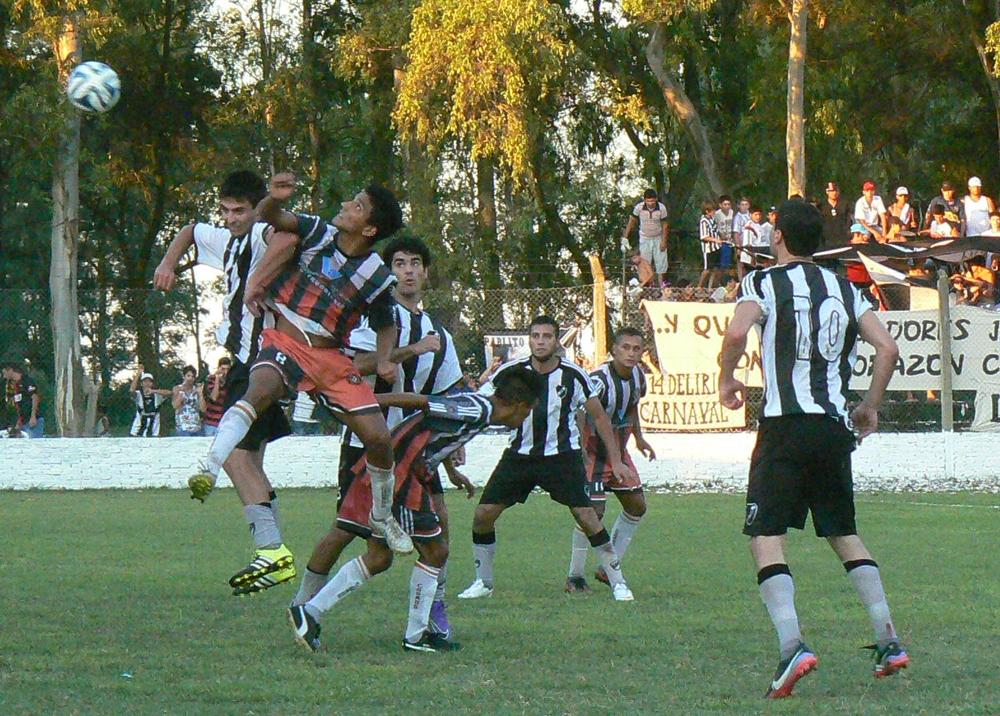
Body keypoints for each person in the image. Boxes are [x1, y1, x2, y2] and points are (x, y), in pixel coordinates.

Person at [719, 198, 908, 699]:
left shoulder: (763, 282)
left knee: (765, 535)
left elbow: (736, 331)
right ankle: (888, 639)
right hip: (832, 427)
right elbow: (887, 348)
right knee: (843, 532)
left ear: (778, 236)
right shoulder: (845, 288)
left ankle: (792, 646)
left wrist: (726, 379)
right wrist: (870, 405)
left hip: (784, 426)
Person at [192, 171, 413, 571]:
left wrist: (384, 360)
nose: (345, 206)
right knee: (258, 391)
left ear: (369, 228)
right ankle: (209, 465)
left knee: (379, 438)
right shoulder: (318, 231)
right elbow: (272, 217)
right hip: (285, 341)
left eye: (357, 205)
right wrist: (275, 199)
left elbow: (386, 322)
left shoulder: (378, 275)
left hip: (331, 359)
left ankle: (382, 515)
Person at [287, 369, 544, 653]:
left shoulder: (479, 410)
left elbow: (434, 430)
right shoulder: (477, 408)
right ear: (519, 404)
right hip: (401, 476)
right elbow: (420, 402)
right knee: (436, 552)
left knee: (379, 558)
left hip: (395, 471)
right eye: (528, 411)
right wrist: (365, 402)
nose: (525, 418)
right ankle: (416, 636)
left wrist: (451, 471)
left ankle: (309, 612)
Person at [291, 234, 468, 641]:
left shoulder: (439, 333)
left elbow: (446, 396)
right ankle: (303, 604)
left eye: (415, 263)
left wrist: (453, 451)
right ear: (389, 273)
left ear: (426, 272)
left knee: (439, 527)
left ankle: (433, 612)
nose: (408, 271)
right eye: (400, 263)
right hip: (368, 445)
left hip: (416, 450)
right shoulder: (374, 318)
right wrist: (411, 350)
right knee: (347, 532)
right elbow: (356, 367)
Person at [154, 170, 296, 594]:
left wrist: (259, 277)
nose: (231, 218)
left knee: (235, 458)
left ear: (256, 210)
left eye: (240, 211)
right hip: (249, 362)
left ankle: (272, 552)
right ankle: (273, 552)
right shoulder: (228, 239)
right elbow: (189, 231)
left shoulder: (263, 235)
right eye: (226, 210)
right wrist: (167, 263)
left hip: (259, 362)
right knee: (250, 462)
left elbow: (286, 239)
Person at [458, 315, 639, 602]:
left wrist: (616, 461)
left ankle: (618, 582)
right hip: (519, 456)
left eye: (547, 336)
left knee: (587, 516)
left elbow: (599, 417)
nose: (541, 341)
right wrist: (460, 439)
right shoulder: (511, 371)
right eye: (536, 336)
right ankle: (483, 582)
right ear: (529, 340)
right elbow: (481, 404)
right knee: (483, 515)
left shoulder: (573, 374)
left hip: (561, 457)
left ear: (556, 342)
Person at [565, 327, 655, 594]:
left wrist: (639, 438)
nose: (631, 353)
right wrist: (581, 450)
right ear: (613, 350)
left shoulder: (638, 376)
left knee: (636, 505)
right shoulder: (599, 380)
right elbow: (581, 412)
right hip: (593, 454)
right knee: (593, 514)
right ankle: (575, 576)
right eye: (625, 347)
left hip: (619, 453)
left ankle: (607, 569)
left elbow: (632, 407)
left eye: (636, 349)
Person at [622, 189, 670, 287]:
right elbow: (632, 221)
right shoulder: (639, 207)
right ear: (644, 200)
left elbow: (665, 225)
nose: (650, 203)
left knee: (661, 265)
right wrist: (625, 237)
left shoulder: (661, 208)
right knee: (644, 264)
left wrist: (664, 241)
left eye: (652, 201)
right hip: (645, 238)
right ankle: (648, 287)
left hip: (658, 238)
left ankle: (662, 288)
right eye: (648, 201)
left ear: (656, 199)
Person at [1, 361, 43, 438]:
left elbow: (34, 397)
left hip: (33, 420)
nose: (4, 376)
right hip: (23, 422)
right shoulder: (14, 385)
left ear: (10, 370)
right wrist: (19, 421)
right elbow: (19, 404)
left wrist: (33, 416)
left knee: (34, 442)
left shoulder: (27, 381)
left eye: (4, 373)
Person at [129, 366, 171, 437]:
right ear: (141, 384)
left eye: (149, 381)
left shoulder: (157, 396)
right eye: (145, 381)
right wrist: (138, 374)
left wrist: (153, 391)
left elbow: (169, 393)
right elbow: (131, 390)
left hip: (153, 432)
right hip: (137, 432)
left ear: (152, 384)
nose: (147, 383)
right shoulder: (139, 395)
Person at [172, 365, 206, 436]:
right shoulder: (177, 388)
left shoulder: (197, 389)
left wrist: (200, 394)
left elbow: (203, 409)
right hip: (183, 427)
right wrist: (180, 395)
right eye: (188, 376)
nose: (190, 378)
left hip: (197, 427)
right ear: (184, 376)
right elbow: (175, 406)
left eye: (192, 376)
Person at [202, 357, 231, 437]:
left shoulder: (230, 381)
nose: (225, 372)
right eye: (223, 369)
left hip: (225, 422)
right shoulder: (211, 379)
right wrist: (217, 379)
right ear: (219, 368)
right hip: (211, 422)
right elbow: (214, 397)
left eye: (228, 369)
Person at [819, 181, 851, 249]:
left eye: (836, 191)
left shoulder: (844, 204)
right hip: (826, 239)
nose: (834, 193)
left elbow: (848, 220)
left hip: (842, 238)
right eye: (831, 191)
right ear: (827, 192)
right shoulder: (821, 206)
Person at [698, 200, 721, 288]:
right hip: (708, 249)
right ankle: (699, 288)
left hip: (716, 248)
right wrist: (715, 240)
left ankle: (710, 288)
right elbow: (704, 236)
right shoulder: (704, 221)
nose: (714, 212)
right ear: (707, 211)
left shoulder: (712, 219)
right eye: (712, 210)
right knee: (707, 269)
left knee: (715, 269)